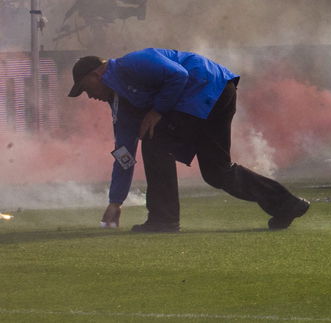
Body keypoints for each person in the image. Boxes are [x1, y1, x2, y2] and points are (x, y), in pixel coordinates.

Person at [69, 49, 310, 232]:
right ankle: (286, 205)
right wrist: (115, 201)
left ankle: (164, 219)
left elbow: (179, 74)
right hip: (214, 92)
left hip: (208, 88)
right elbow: (124, 153)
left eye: (84, 87)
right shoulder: (120, 107)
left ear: (96, 73)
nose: (88, 96)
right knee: (217, 172)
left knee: (154, 139)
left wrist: (156, 112)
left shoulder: (133, 62)